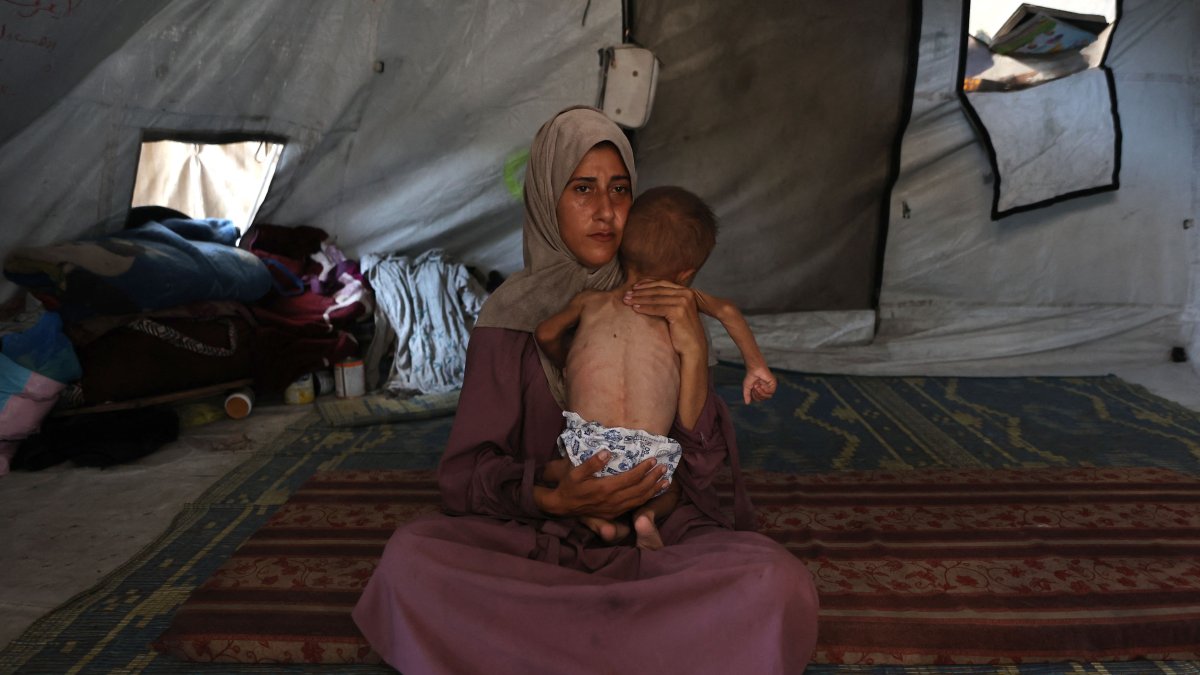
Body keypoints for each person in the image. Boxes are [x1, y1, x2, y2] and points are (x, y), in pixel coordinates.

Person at [352, 106, 819, 675]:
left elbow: (700, 476)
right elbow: (465, 474)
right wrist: (553, 496)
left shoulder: (662, 303)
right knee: (410, 561)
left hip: (655, 539)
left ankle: (548, 647)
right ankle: (643, 644)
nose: (605, 211)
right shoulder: (512, 315)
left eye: (620, 189)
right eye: (582, 189)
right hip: (536, 536)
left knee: (777, 582)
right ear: (548, 198)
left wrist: (695, 351)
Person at [535, 185, 777, 550]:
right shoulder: (679, 311)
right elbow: (728, 310)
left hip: (587, 451)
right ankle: (645, 519)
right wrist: (756, 367)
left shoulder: (590, 302)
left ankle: (599, 524)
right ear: (686, 273)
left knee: (562, 475)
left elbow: (545, 332)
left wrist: (569, 359)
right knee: (674, 487)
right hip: (649, 461)